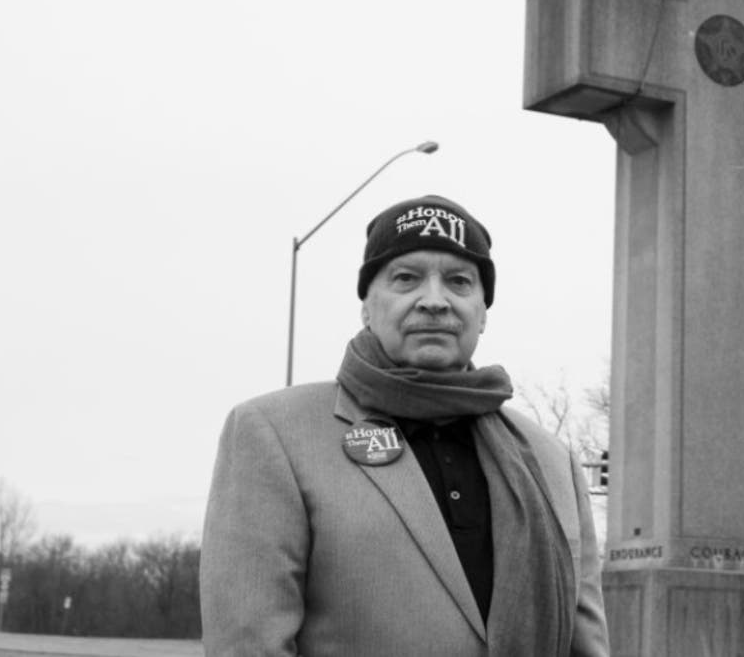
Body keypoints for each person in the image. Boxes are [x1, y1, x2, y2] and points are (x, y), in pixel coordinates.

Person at [200, 195, 609, 656]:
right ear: (367, 306)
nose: (434, 301)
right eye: (406, 278)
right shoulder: (273, 434)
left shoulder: (551, 462)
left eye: (459, 281)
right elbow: (247, 644)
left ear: (482, 312)